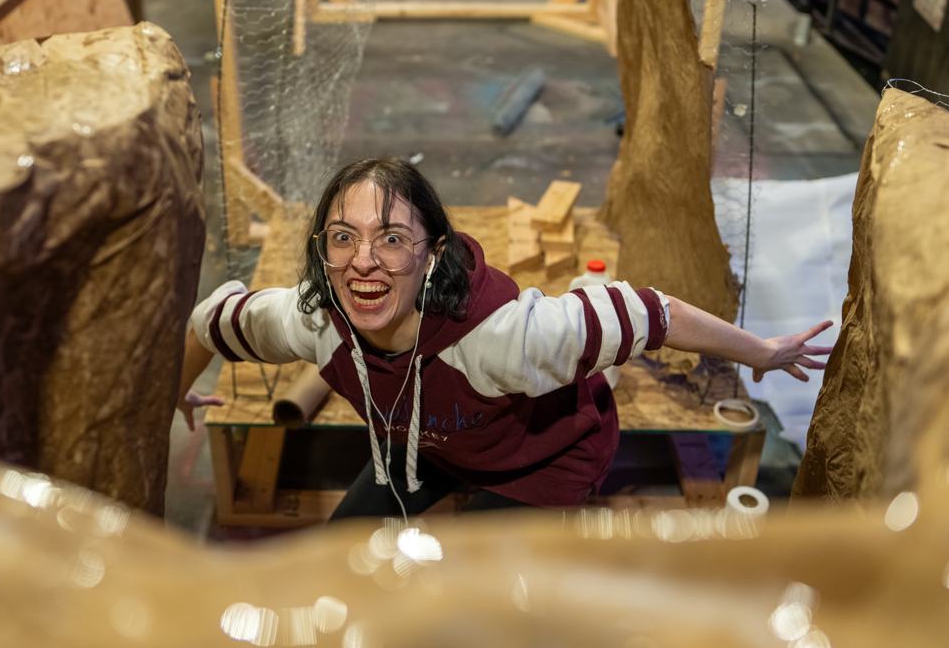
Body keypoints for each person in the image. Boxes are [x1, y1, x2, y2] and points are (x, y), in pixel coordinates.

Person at [177, 156, 831, 519]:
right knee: (344, 560)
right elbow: (213, 316)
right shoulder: (315, 320)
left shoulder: (506, 337)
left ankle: (593, 375)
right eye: (343, 238)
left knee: (487, 600)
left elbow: (651, 311)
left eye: (392, 239)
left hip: (540, 454)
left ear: (431, 255)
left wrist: (764, 352)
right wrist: (173, 393)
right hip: (432, 442)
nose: (363, 260)